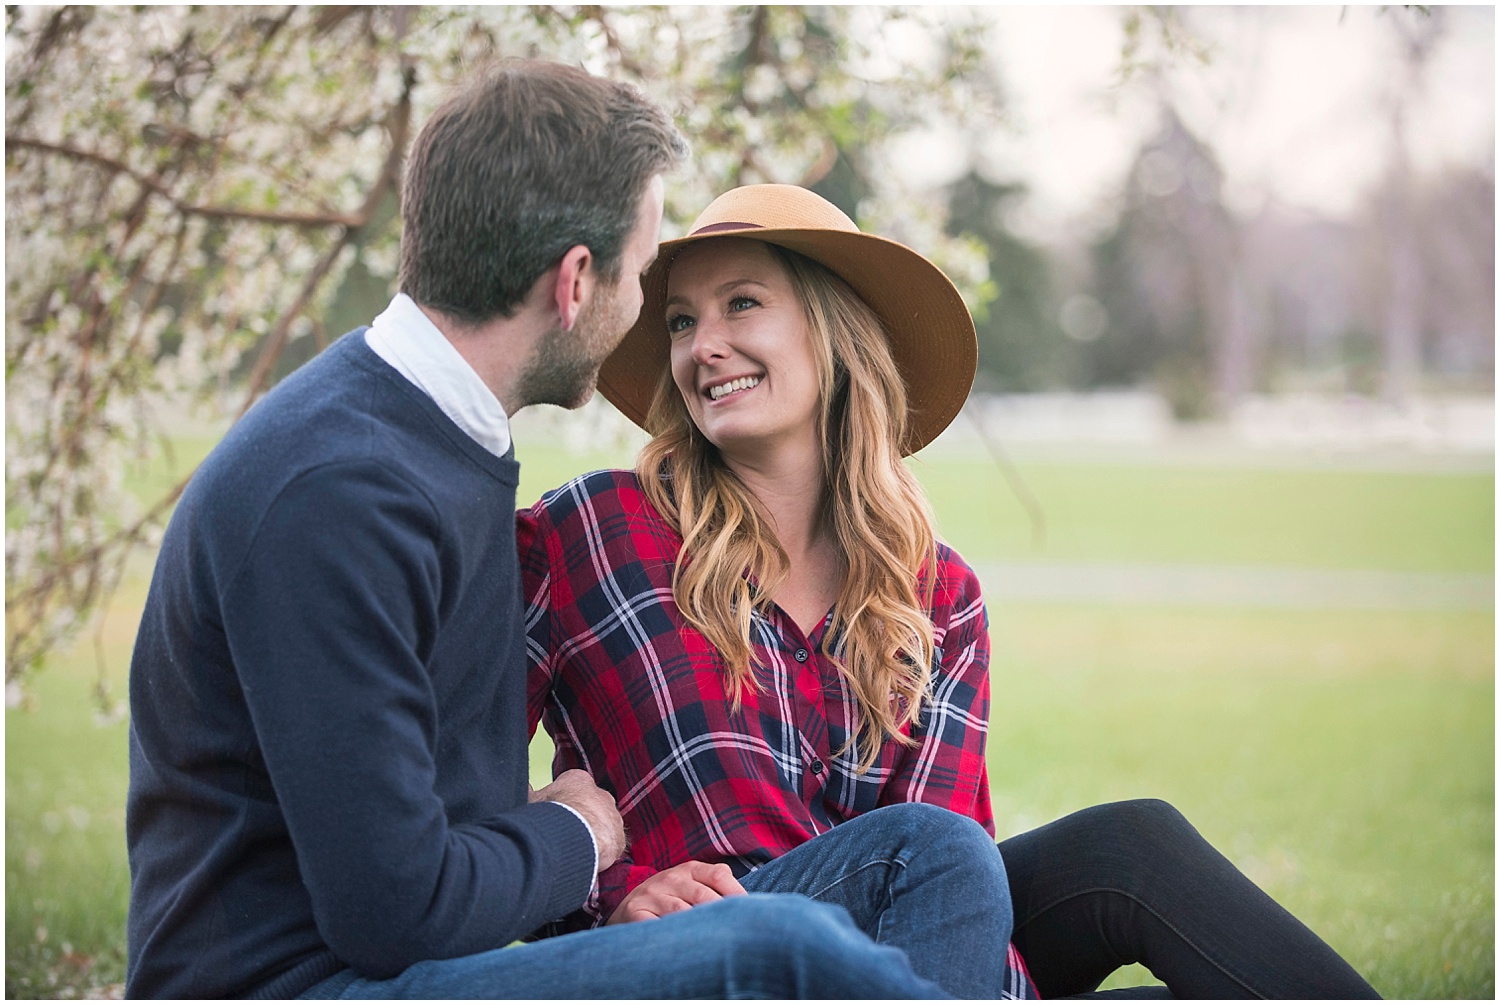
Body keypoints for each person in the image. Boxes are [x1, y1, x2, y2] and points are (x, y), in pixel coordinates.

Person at [124, 63, 954, 1001]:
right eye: (643, 279)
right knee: (774, 952)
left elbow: (388, 791)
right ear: (574, 283)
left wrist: (552, 834)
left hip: (420, 963)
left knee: (934, 859)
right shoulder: (338, 489)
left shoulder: (435, 446)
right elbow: (392, 910)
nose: (648, 317)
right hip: (301, 984)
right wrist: (580, 836)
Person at [520, 183, 1383, 999]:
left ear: (833, 332)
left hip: (906, 955)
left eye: (741, 303)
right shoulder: (589, 532)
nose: (703, 344)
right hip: (701, 954)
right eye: (680, 320)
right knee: (933, 849)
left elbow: (945, 892)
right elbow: (436, 799)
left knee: (1130, 845)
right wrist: (604, 889)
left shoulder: (936, 590)